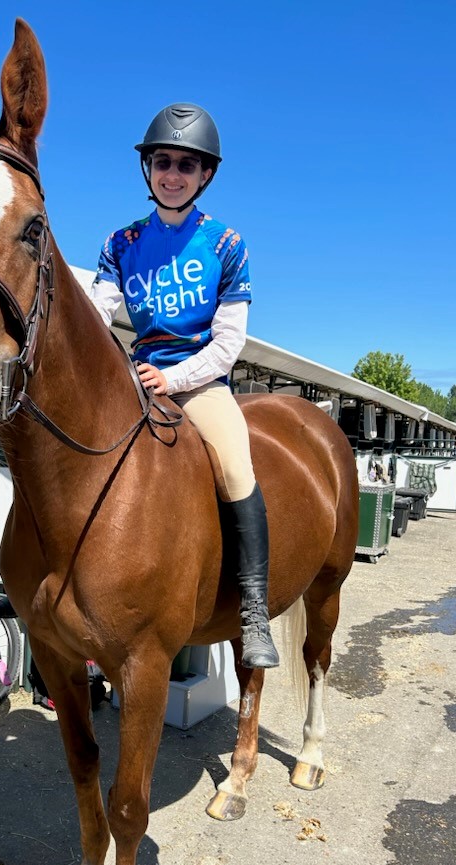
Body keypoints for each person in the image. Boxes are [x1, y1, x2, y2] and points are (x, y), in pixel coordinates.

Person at [87, 103, 279, 669]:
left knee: (236, 463)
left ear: (205, 176)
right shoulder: (120, 243)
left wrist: (173, 377)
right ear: (148, 168)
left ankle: (253, 611)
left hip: (197, 382)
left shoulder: (226, 244)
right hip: (136, 378)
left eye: (186, 166)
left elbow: (229, 342)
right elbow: (98, 316)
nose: (173, 175)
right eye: (164, 162)